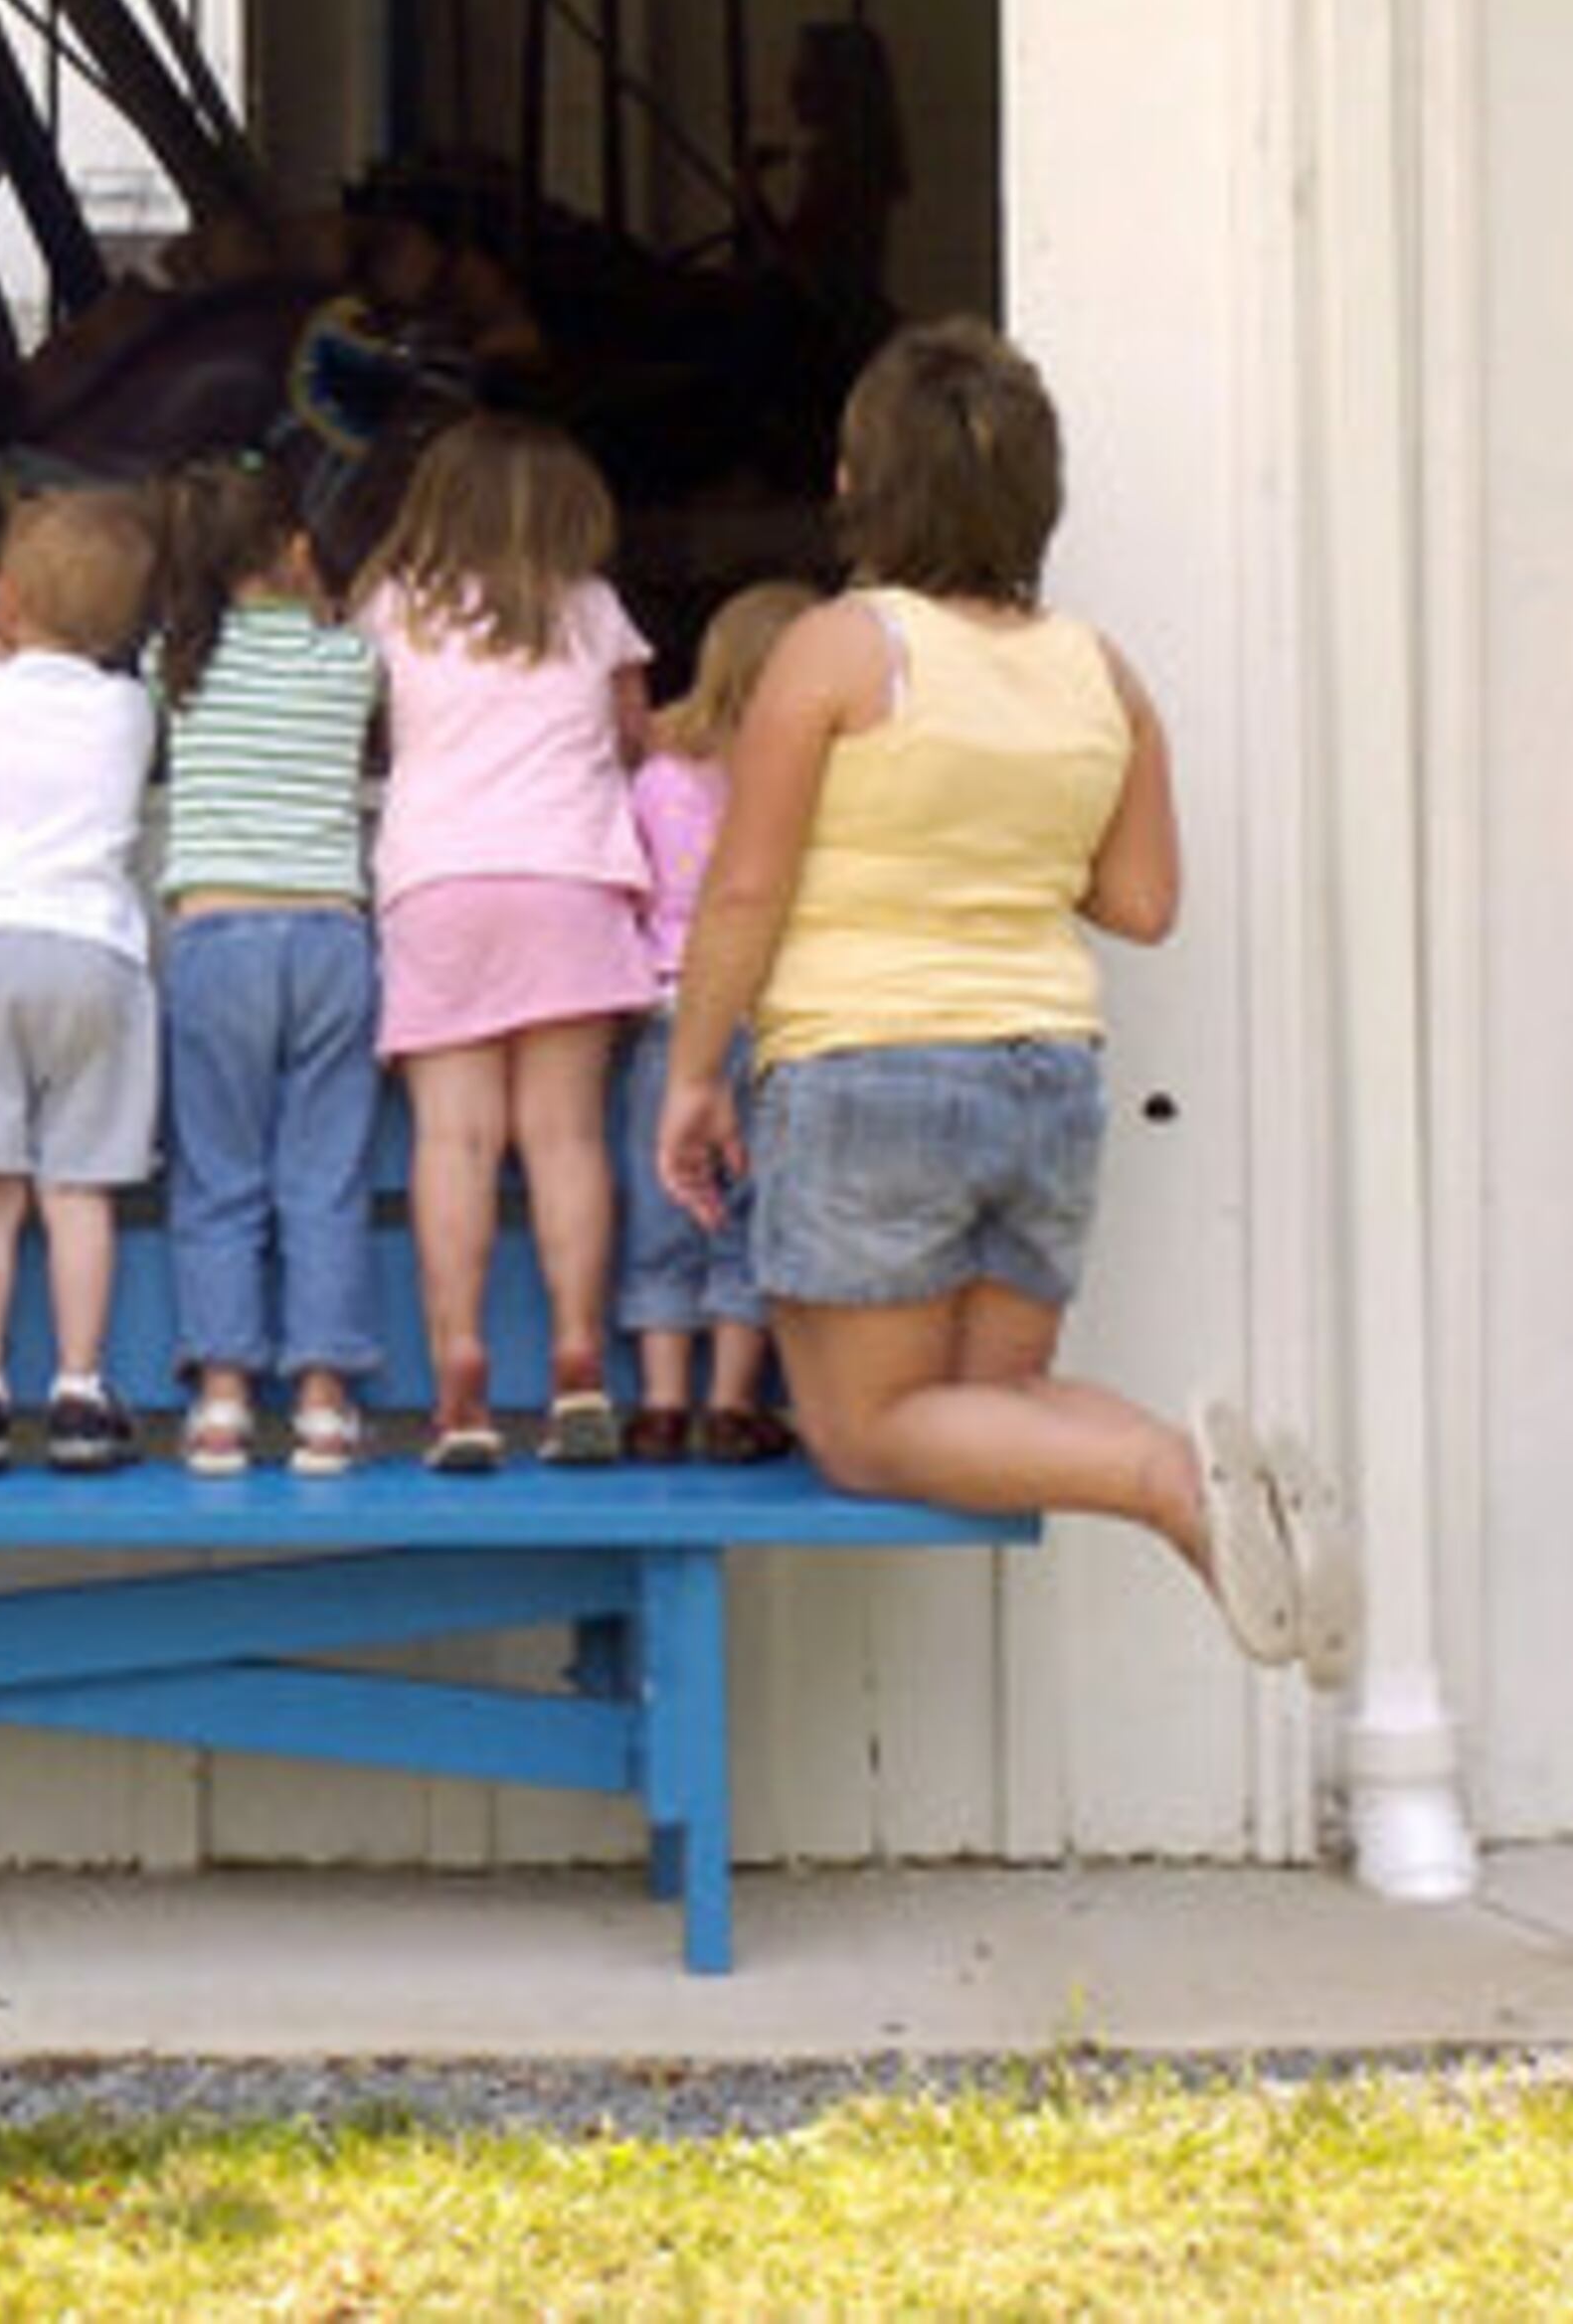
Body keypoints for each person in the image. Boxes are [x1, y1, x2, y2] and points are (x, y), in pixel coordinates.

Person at [655, 317, 1361, 1683]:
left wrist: (692, 1075)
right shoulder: (1103, 673)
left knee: (865, 1433)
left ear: (861, 484)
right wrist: (1005, 829)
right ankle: (1228, 1519)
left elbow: (743, 891)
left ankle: (1171, 1475)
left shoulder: (839, 649)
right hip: (1044, 1075)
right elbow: (1143, 899)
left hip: (872, 1071)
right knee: (987, 1409)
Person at [355, 414, 660, 1472]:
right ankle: (578, 1360)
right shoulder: (592, 609)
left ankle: (460, 1377)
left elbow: (372, 730)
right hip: (569, 878)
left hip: (439, 881)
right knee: (566, 1138)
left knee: (458, 1142)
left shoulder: (398, 608)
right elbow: (634, 742)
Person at [148, 450, 384, 1480]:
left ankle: (223, 1402)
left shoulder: (175, 663)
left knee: (217, 1180)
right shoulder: (351, 659)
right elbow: (360, 645)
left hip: (217, 939)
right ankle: (326, 1405)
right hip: (332, 939)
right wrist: (328, 594)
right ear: (298, 548)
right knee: (324, 1178)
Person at [0, 488, 165, 1473]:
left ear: (7, 597)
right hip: (99, 952)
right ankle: (76, 1388)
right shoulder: (131, 708)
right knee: (78, 1192)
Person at [609, 577, 814, 1466]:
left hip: (671, 1015)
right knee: (751, 1212)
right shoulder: (808, 786)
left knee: (663, 1211)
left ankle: (659, 1405)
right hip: (772, 1018)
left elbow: (633, 888)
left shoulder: (660, 775)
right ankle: (732, 1404)